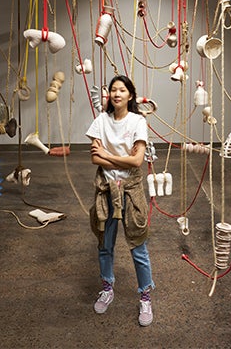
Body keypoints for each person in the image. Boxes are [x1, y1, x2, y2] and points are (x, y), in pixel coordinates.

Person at [86, 74, 154, 327]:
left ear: (130, 95)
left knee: (138, 246)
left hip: (131, 190)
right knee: (105, 244)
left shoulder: (138, 121)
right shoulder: (100, 121)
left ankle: (145, 296)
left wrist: (107, 154)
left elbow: (137, 162)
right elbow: (95, 159)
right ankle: (107, 289)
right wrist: (114, 156)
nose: (116, 94)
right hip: (106, 190)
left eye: (122, 90)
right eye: (113, 90)